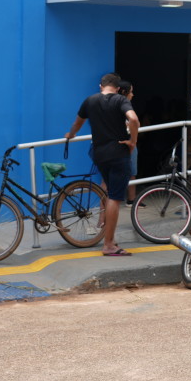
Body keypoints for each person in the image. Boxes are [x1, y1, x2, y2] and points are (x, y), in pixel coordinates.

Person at [64, 73, 139, 256]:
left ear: (101, 86)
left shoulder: (89, 101)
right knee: (115, 197)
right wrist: (133, 141)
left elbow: (77, 123)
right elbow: (134, 119)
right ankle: (109, 244)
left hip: (99, 154)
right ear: (117, 88)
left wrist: (71, 135)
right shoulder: (120, 100)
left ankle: (109, 238)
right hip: (118, 153)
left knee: (109, 192)